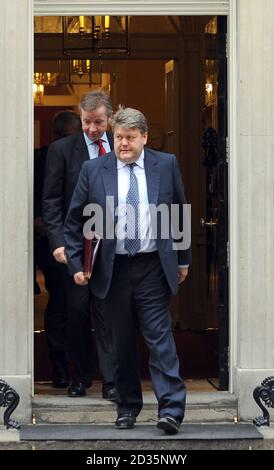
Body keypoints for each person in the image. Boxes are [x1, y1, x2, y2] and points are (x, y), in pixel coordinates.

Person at [64, 107, 191, 434]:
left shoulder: (166, 164)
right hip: (113, 268)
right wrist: (77, 264)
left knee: (160, 339)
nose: (123, 144)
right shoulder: (94, 170)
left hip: (152, 265)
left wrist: (183, 259)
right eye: (118, 137)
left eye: (130, 138)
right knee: (120, 343)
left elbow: (179, 211)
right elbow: (76, 219)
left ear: (144, 138)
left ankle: (171, 410)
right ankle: (127, 407)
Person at [43, 91, 116, 400]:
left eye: (98, 122)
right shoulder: (62, 150)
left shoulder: (123, 144)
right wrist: (58, 242)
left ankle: (112, 380)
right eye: (87, 122)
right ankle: (80, 376)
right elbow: (51, 200)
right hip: (76, 245)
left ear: (109, 118)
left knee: (111, 313)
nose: (92, 129)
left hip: (116, 245)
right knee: (76, 311)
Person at [34, 110, 82, 388]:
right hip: (49, 243)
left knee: (80, 306)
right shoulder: (39, 159)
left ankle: (81, 368)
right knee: (61, 303)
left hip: (82, 242)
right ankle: (60, 365)